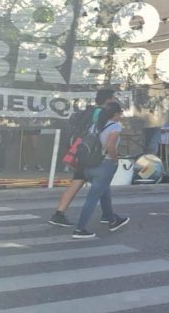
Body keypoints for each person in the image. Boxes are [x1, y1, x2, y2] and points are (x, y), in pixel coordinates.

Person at [48, 89, 118, 228]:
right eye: (114, 97)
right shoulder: (103, 114)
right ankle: (95, 221)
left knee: (80, 181)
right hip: (92, 153)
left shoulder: (90, 110)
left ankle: (60, 213)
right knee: (95, 182)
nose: (115, 99)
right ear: (108, 100)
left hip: (82, 149)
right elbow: (101, 135)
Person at [71, 101, 130, 238]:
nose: (120, 115)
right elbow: (110, 146)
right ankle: (80, 229)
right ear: (116, 114)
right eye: (120, 113)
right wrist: (116, 160)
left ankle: (110, 218)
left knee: (104, 190)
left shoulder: (95, 125)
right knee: (92, 198)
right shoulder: (115, 126)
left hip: (88, 165)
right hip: (104, 165)